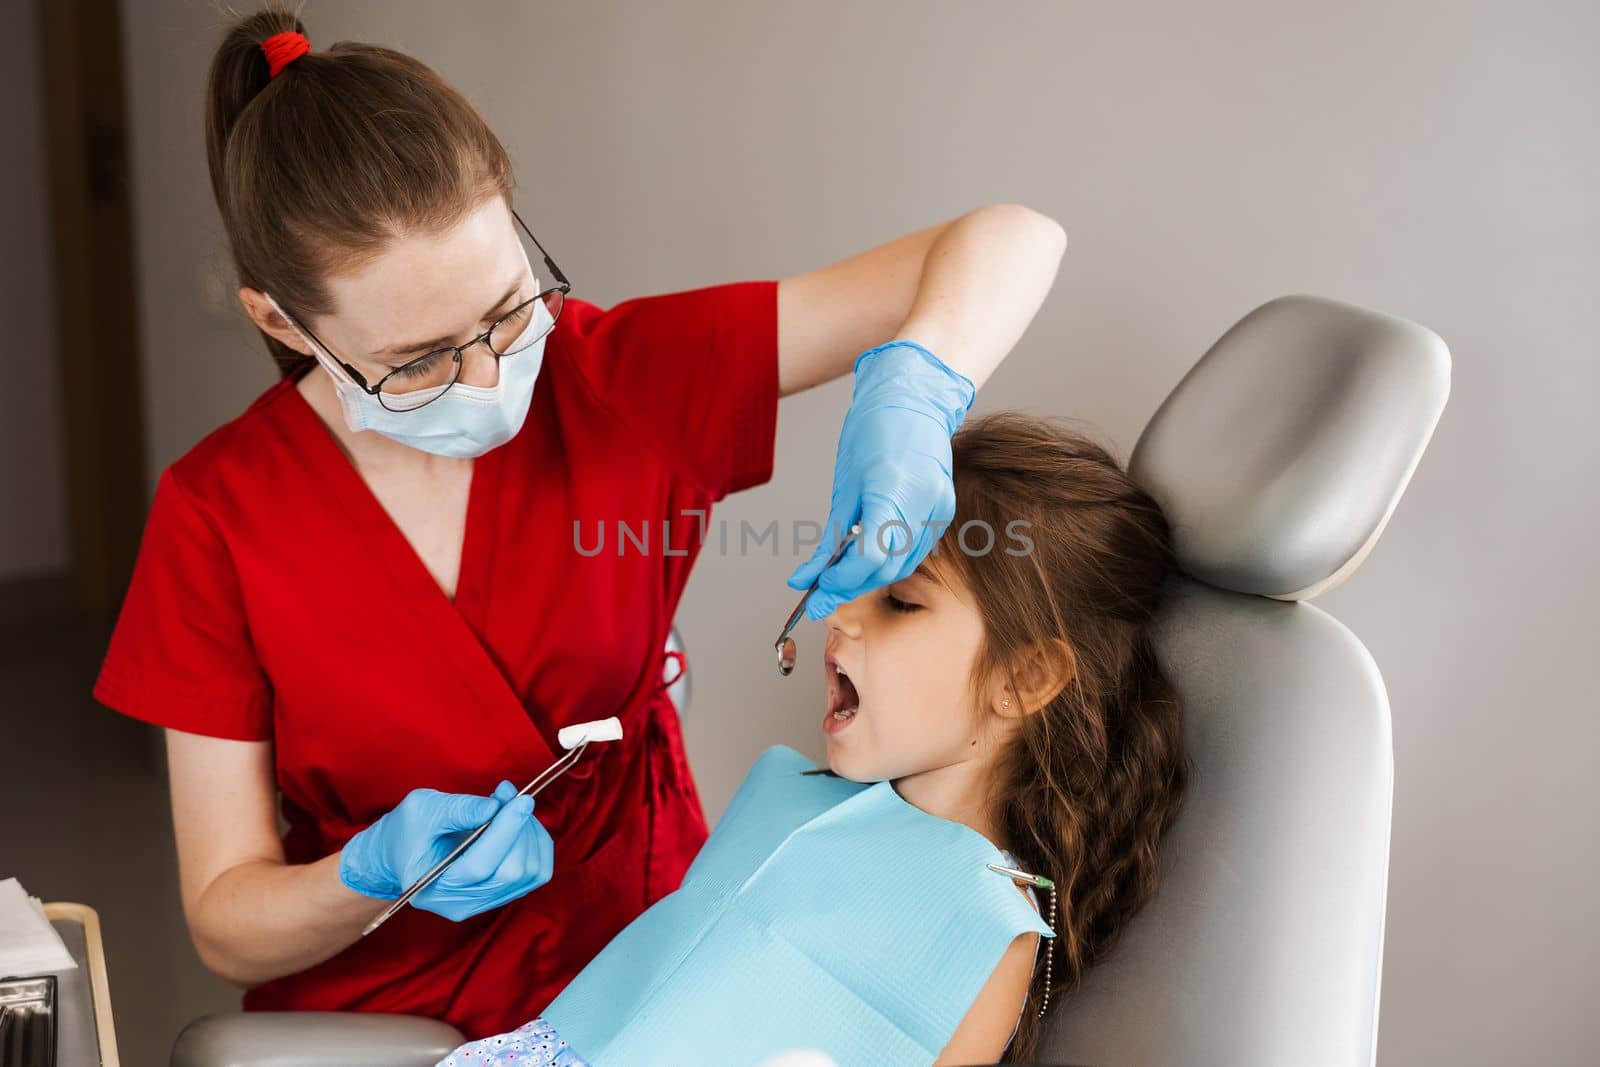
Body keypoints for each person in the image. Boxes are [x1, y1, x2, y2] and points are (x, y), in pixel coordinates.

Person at [90, 3, 1066, 1039]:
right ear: (284, 322)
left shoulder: (615, 378)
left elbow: (1012, 237)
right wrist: (366, 874)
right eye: (420, 359)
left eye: (509, 308)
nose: (490, 373)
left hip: (652, 978)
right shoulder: (217, 516)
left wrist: (918, 384)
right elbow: (228, 923)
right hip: (388, 1022)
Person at [437, 412, 1191, 1065]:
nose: (843, 615)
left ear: (1025, 679)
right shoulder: (783, 795)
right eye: (852, 576)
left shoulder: (983, 926)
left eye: (899, 601)